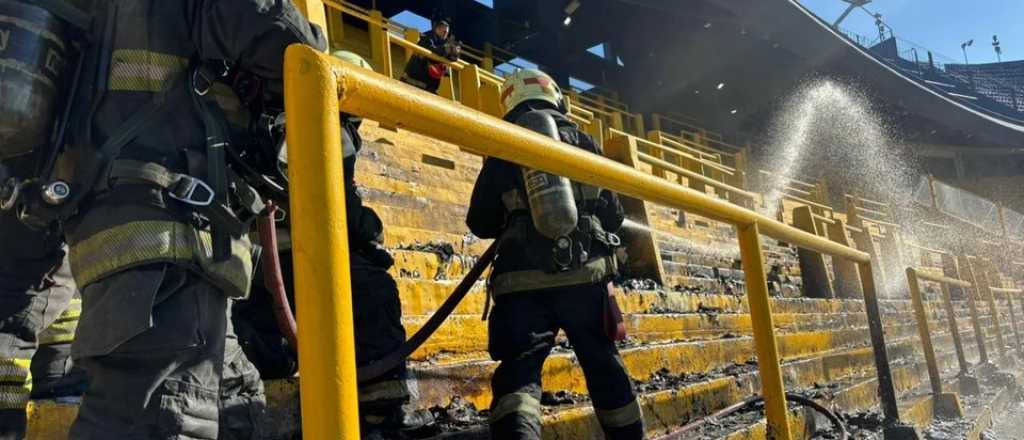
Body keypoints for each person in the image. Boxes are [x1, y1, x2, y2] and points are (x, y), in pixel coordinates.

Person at [55, 1, 326, 438]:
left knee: (236, 402)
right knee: (162, 414)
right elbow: (293, 45)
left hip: (113, 235)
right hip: (173, 239)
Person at [233, 49, 430, 439]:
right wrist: (372, 229)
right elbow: (343, 207)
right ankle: (380, 414)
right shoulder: (326, 123)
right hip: (306, 259)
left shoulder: (269, 122)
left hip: (255, 267)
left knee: (267, 343)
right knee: (378, 294)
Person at [465, 69, 644, 440]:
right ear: (556, 96)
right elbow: (614, 213)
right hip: (585, 281)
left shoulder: (502, 144)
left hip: (520, 286)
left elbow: (479, 221)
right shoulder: (585, 141)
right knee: (603, 366)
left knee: (520, 374)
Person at [400, 17, 461, 93]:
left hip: (429, 85)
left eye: (447, 33)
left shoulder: (444, 43)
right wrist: (447, 49)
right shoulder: (427, 37)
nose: (446, 34)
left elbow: (454, 58)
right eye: (444, 32)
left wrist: (453, 50)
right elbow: (433, 50)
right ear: (437, 29)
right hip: (412, 80)